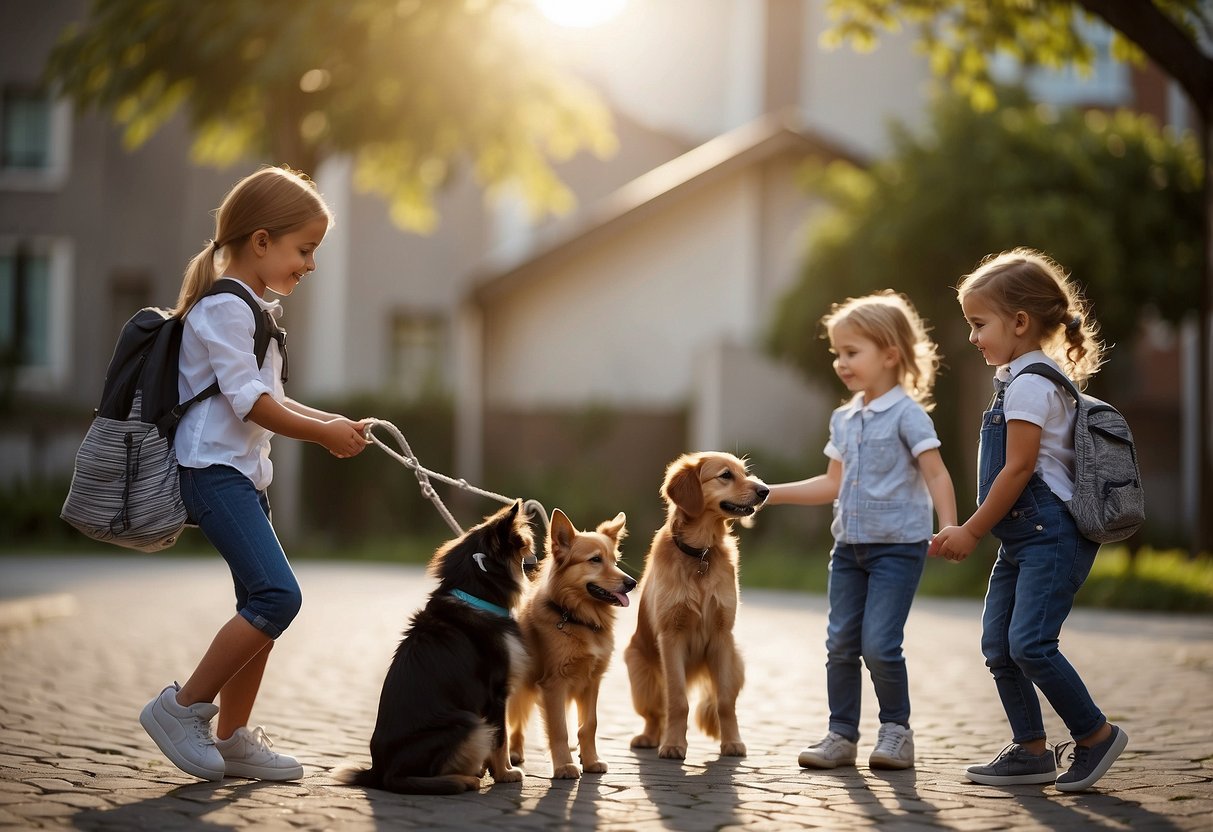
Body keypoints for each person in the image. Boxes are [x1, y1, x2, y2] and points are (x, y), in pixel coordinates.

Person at [139, 166, 371, 782]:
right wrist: (322, 432)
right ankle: (181, 708)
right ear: (262, 241)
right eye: (306, 250)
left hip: (243, 474)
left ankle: (234, 737)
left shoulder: (250, 309)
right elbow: (250, 404)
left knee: (257, 604)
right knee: (277, 596)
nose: (311, 265)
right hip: (212, 472)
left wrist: (332, 422)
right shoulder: (224, 309)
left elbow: (272, 400)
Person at [929, 248, 1128, 793]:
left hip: (1051, 538)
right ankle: (1030, 750)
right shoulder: (1015, 382)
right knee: (1000, 644)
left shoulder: (1032, 385)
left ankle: (1095, 736)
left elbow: (1017, 470)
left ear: (1019, 322)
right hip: (1024, 540)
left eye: (978, 324)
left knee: (1030, 644)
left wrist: (970, 529)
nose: (972, 337)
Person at [766, 290, 957, 771]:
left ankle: (896, 731)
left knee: (880, 644)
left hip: (898, 549)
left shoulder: (908, 415)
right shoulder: (844, 418)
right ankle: (841, 735)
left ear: (890, 354)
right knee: (840, 644)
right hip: (848, 550)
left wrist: (950, 525)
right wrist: (770, 492)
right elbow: (831, 483)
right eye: (837, 353)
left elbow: (935, 472)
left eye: (852, 352)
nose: (840, 362)